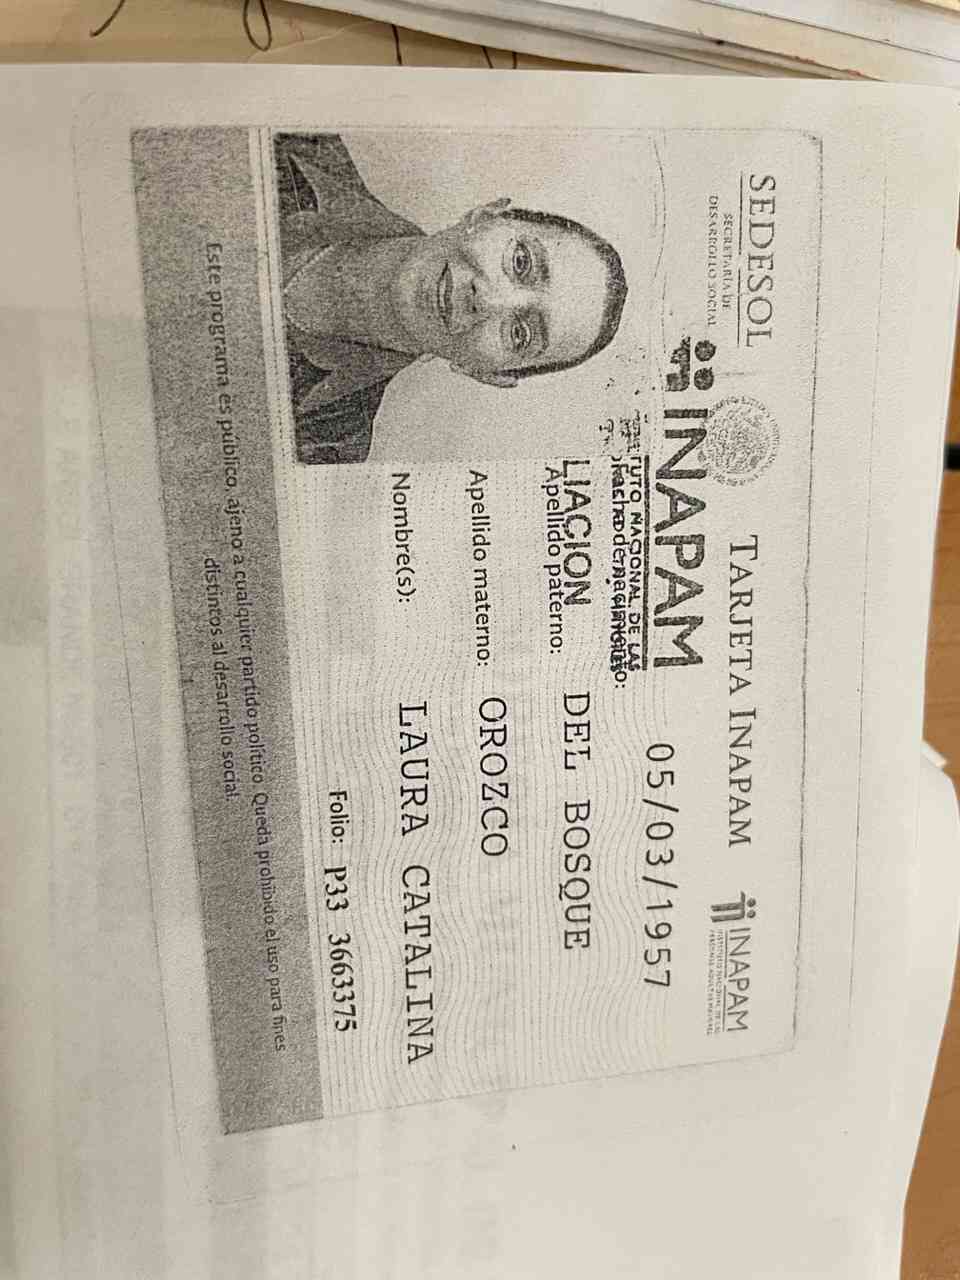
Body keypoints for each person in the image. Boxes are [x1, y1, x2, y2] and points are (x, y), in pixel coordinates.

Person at [274, 132, 629, 464]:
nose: (488, 302)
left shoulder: (328, 445)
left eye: (520, 334)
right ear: (485, 215)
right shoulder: (298, 142)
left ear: (486, 374)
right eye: (521, 263)